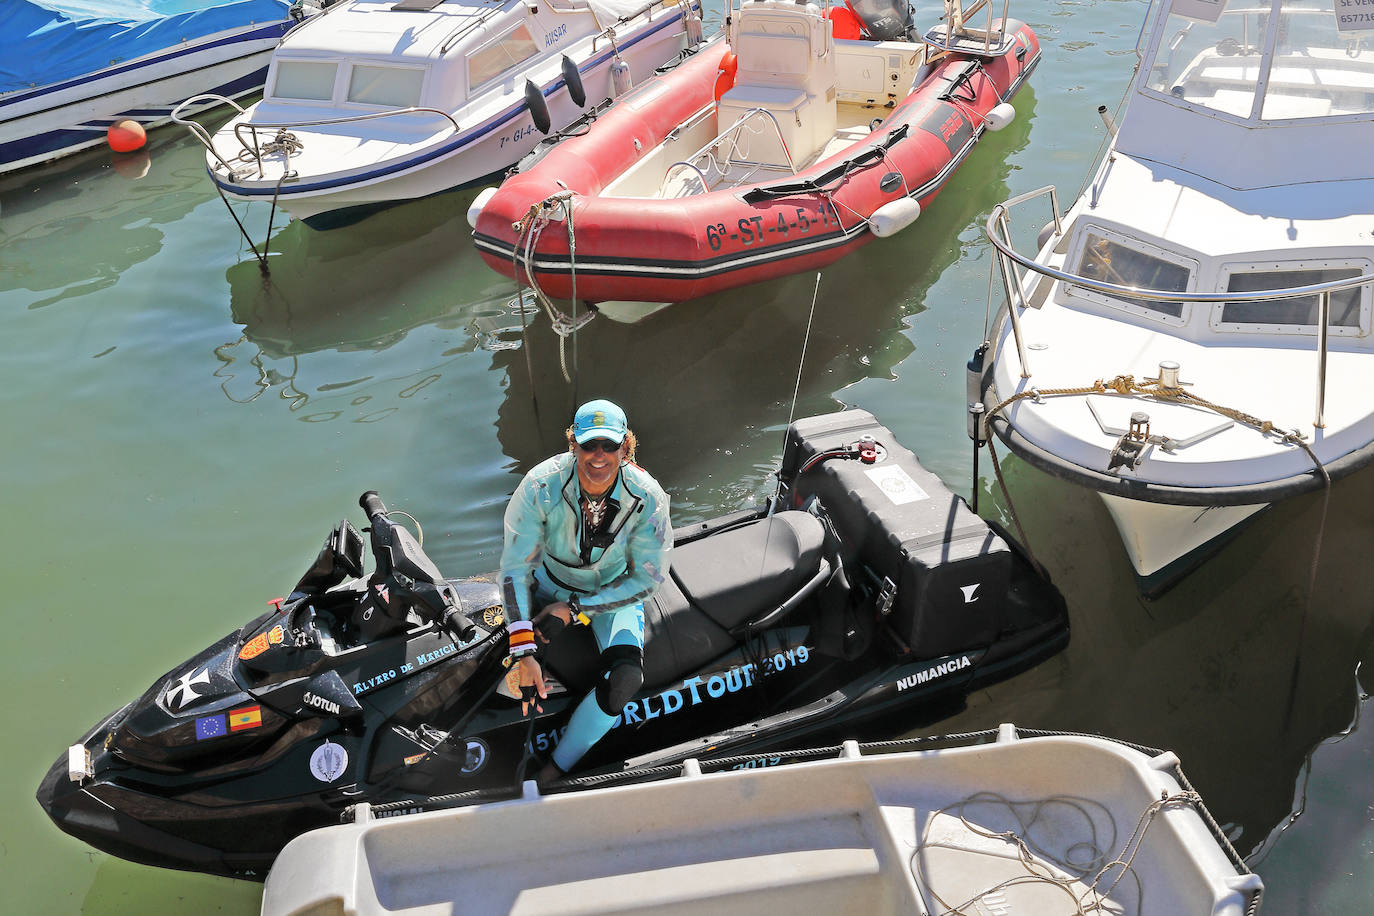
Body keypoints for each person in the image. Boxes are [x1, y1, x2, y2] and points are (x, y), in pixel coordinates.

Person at [500, 399, 672, 782]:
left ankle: (554, 769)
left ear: (626, 447)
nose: (598, 456)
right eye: (588, 444)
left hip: (609, 595)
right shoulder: (539, 485)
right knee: (509, 667)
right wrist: (524, 649)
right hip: (547, 586)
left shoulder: (648, 496)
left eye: (609, 445)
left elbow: (648, 578)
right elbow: (514, 568)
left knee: (626, 678)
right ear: (572, 444)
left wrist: (576, 608)